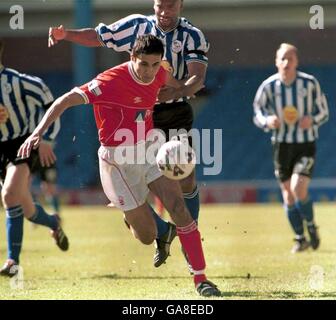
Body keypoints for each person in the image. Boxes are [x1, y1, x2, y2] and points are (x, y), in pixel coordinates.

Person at [18, 35, 220, 297]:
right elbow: (64, 100)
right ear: (132, 58)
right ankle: (146, 223)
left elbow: (176, 85)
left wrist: (187, 87)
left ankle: (201, 280)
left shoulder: (159, 73)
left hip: (149, 148)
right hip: (116, 161)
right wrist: (38, 133)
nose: (149, 71)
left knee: (179, 207)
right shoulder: (108, 82)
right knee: (146, 236)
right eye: (143, 64)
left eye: (155, 64)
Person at [48, 0, 208, 269]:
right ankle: (155, 226)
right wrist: (67, 35)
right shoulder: (136, 25)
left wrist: (177, 92)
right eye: (160, 5)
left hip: (175, 112)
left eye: (170, 7)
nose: (164, 12)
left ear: (181, 6)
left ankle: (187, 238)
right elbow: (100, 36)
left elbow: (197, 78)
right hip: (138, 112)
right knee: (139, 177)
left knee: (185, 177)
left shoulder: (192, 36)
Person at [0, 39, 69, 277]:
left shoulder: (16, 81)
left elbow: (50, 100)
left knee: (9, 196)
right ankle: (53, 224)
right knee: (26, 208)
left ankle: (12, 262)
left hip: (21, 144)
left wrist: (47, 139)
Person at [253, 43, 329, 253]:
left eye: (290, 58)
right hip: (281, 145)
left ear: (297, 61)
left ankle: (312, 225)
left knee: (298, 188)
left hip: (305, 144)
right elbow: (257, 112)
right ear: (276, 61)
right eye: (282, 59)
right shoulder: (269, 86)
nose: (286, 62)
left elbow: (324, 112)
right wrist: (268, 120)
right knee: (287, 194)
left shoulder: (309, 83)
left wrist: (311, 120)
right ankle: (300, 238)